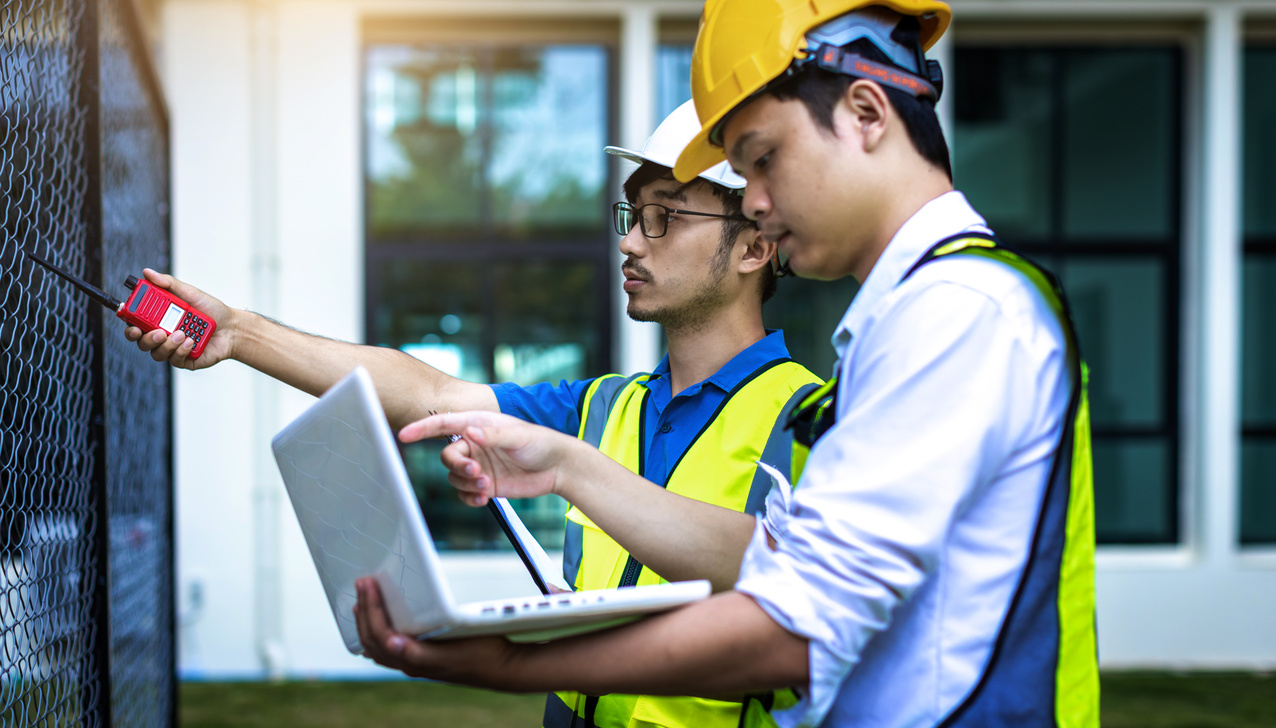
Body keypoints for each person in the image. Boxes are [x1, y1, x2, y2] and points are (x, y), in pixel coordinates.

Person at [352, 1, 1100, 727]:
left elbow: (796, 628)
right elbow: (776, 560)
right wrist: (566, 467)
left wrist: (516, 664)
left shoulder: (956, 312)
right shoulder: (914, 315)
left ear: (867, 114)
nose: (760, 205)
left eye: (764, 160)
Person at [127, 100, 821, 728]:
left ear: (755, 247)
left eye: (665, 216)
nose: (630, 242)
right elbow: (432, 395)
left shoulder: (815, 422)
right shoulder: (604, 405)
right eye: (632, 216)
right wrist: (241, 335)